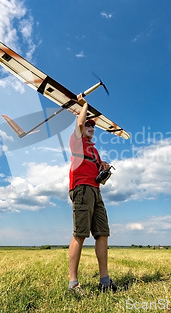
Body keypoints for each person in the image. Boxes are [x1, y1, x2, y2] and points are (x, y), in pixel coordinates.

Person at [68, 93, 117, 293]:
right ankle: (73, 284)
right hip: (81, 189)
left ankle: (104, 281)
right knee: (80, 234)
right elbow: (79, 124)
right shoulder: (76, 140)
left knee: (102, 233)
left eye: (93, 125)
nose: (91, 127)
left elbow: (97, 172)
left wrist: (102, 166)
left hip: (96, 191)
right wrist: (84, 105)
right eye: (88, 124)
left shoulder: (94, 150)